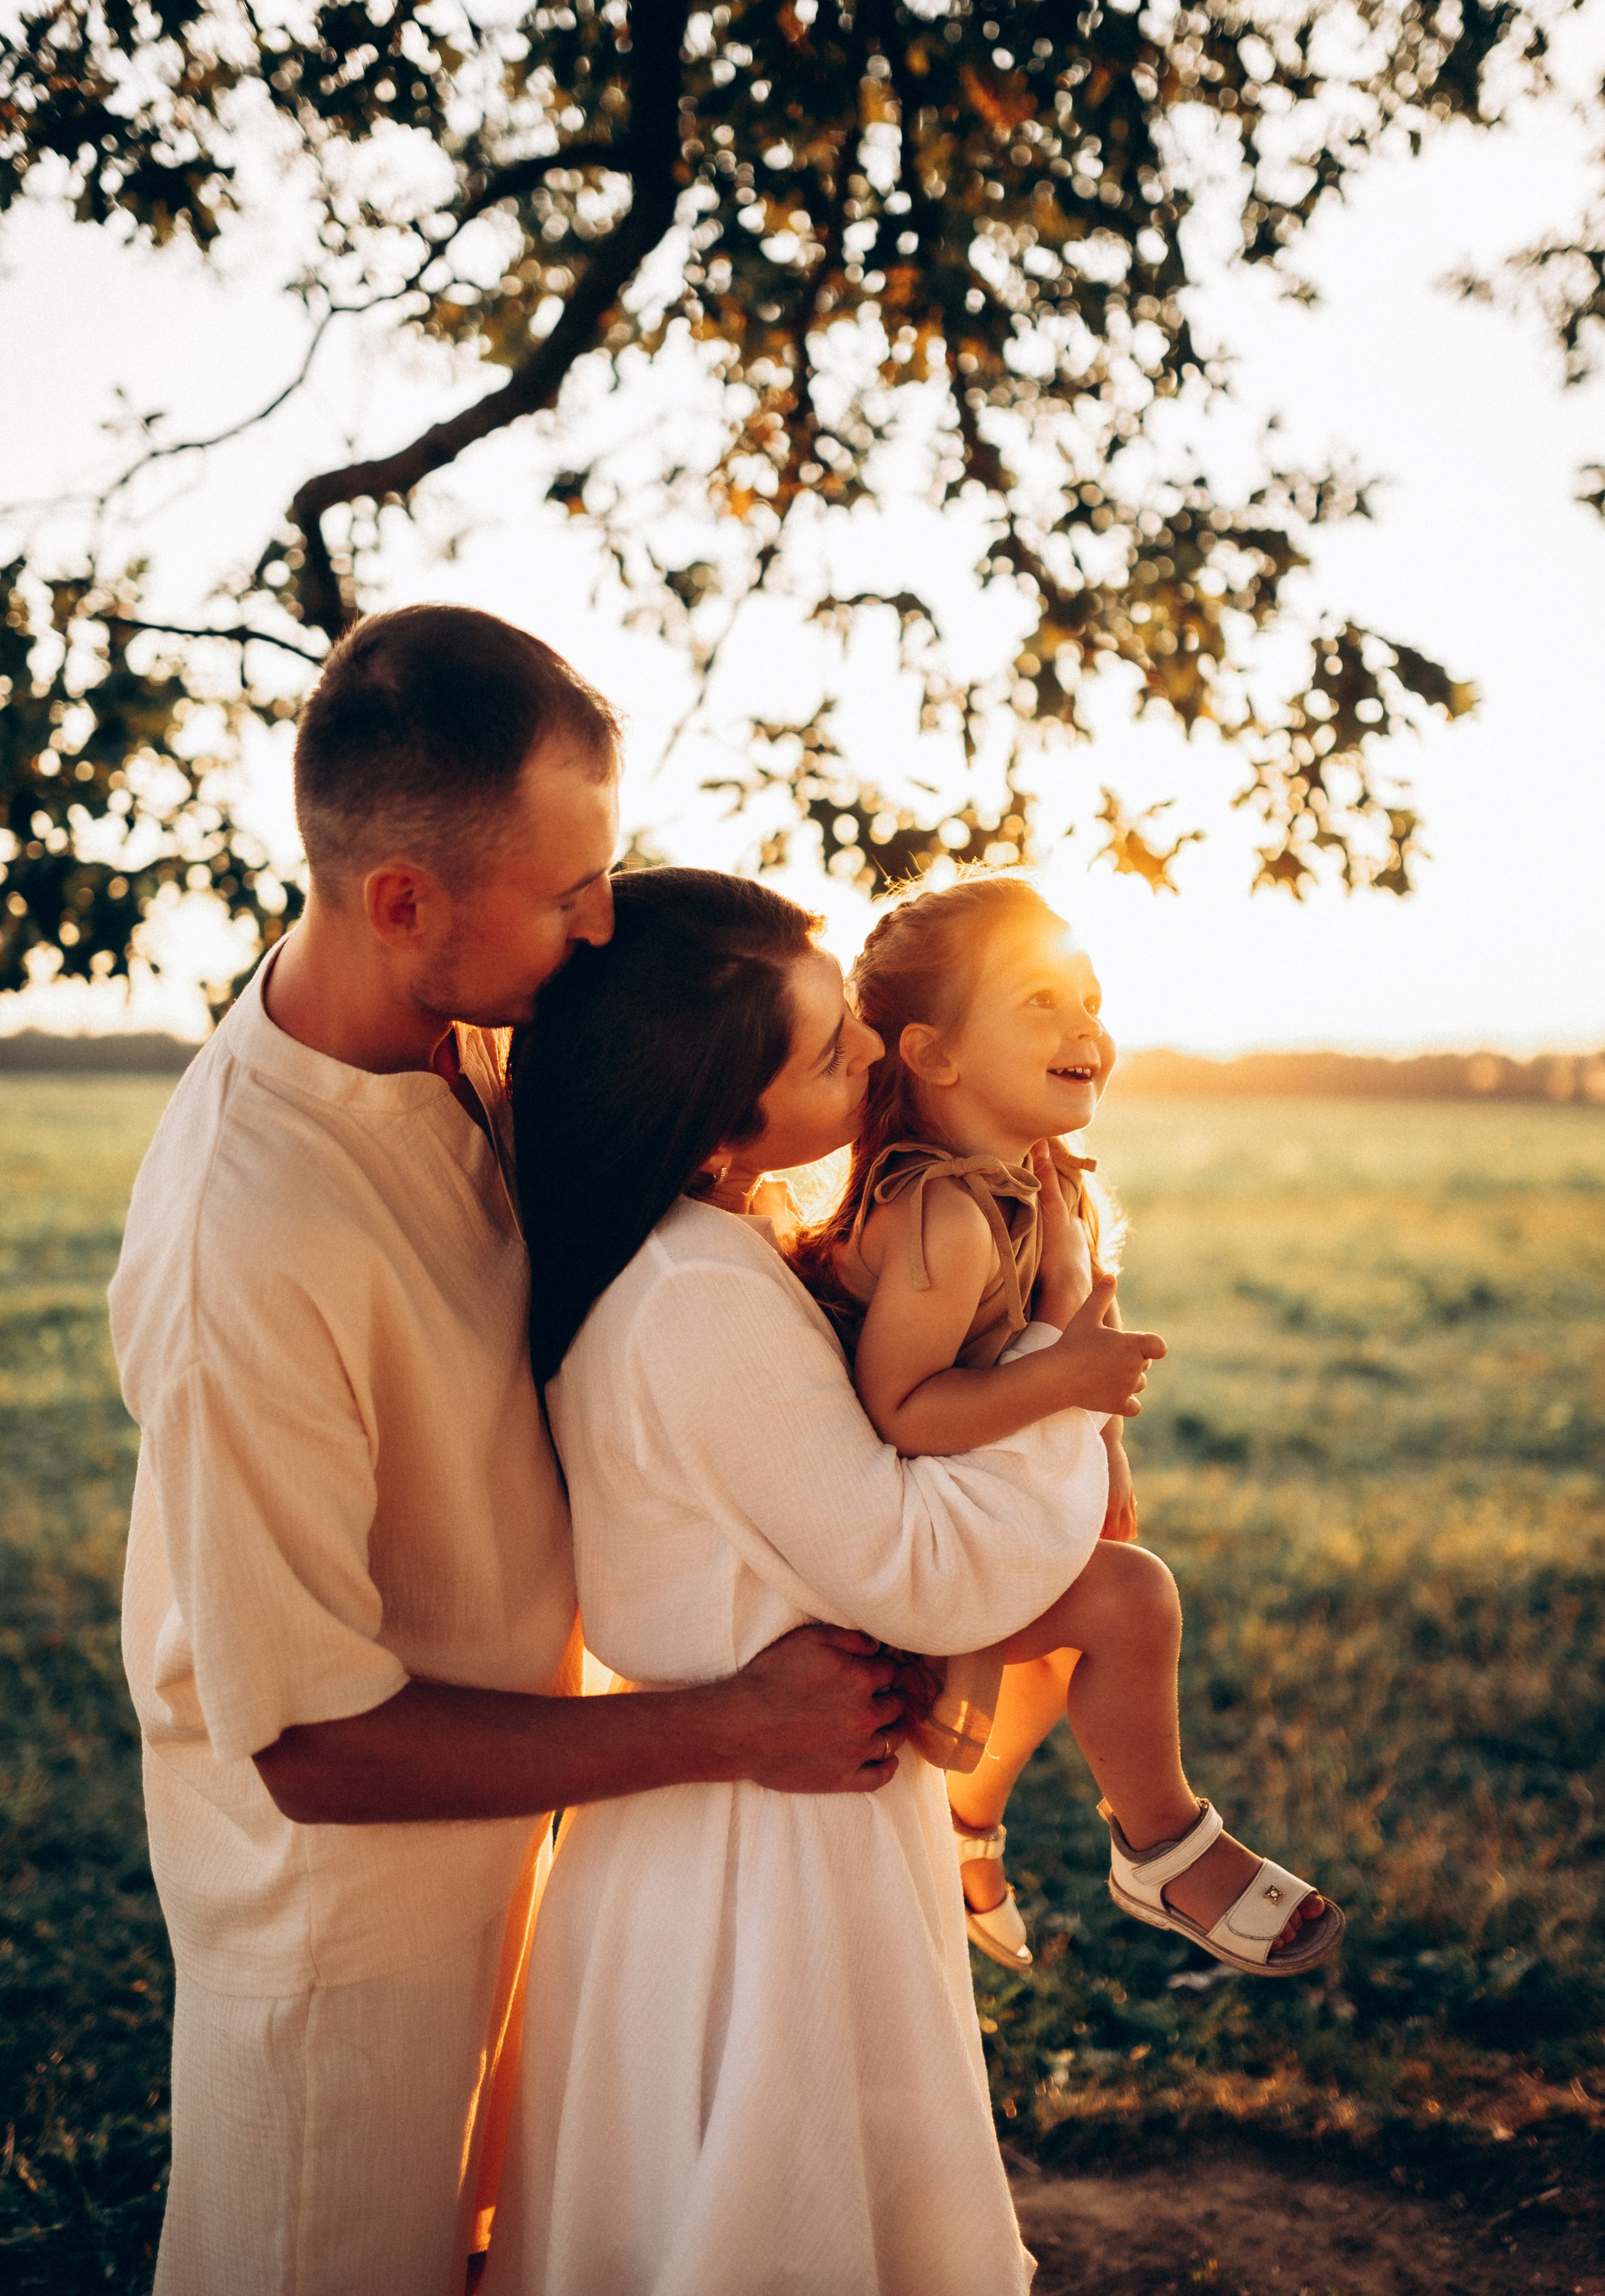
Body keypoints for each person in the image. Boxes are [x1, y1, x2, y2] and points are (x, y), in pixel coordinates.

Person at [110, 608, 917, 2296]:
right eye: (570, 896)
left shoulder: (478, 1053)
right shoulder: (247, 1236)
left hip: (524, 1860)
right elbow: (309, 1745)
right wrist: (725, 1728)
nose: (601, 924)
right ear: (404, 900)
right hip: (344, 1958)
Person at [483, 868, 1164, 2296]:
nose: (869, 1054)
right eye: (831, 1052)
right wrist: (1054, 1372)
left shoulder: (706, 1253)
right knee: (775, 2218)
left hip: (762, 1807)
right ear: (723, 1113)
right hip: (754, 1852)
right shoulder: (695, 1292)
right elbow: (910, 1570)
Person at [796, 870, 1345, 1981]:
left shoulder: (1043, 1181)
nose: (1085, 1023)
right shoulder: (941, 1213)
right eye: (1040, 999)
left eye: (1090, 996)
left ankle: (965, 1829)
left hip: (987, 1501)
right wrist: (1072, 1383)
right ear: (934, 1053)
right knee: (1133, 1600)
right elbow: (897, 1413)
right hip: (881, 1552)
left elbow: (1072, 1337)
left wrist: (1104, 1448)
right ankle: (1160, 1845)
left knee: (1079, 1614)